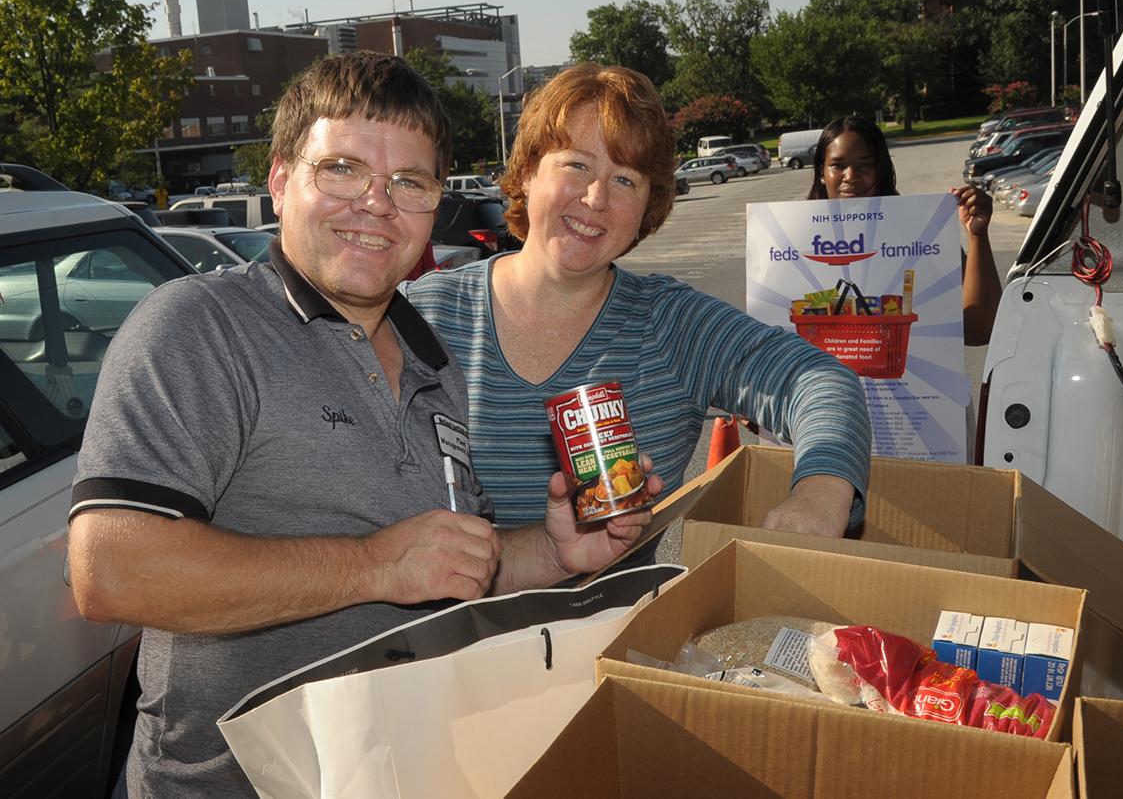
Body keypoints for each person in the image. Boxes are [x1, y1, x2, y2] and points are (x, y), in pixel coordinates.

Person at [67, 53, 659, 798]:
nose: (376, 205)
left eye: (408, 183)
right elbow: (112, 571)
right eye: (342, 170)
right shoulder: (198, 326)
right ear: (282, 180)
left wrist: (553, 549)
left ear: (435, 203)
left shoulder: (434, 363)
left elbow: (444, 568)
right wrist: (375, 565)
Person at [405, 62, 870, 545]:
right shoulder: (420, 316)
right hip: (447, 620)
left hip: (625, 619)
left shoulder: (671, 324)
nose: (595, 197)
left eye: (624, 179)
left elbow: (819, 382)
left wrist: (820, 494)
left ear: (649, 206)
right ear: (526, 173)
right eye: (576, 165)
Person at [807, 115, 1001, 346]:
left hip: (908, 381)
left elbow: (979, 331)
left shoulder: (922, 234)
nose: (851, 176)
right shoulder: (792, 239)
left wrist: (977, 235)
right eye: (838, 165)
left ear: (881, 169)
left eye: (865, 164)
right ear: (822, 172)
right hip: (825, 381)